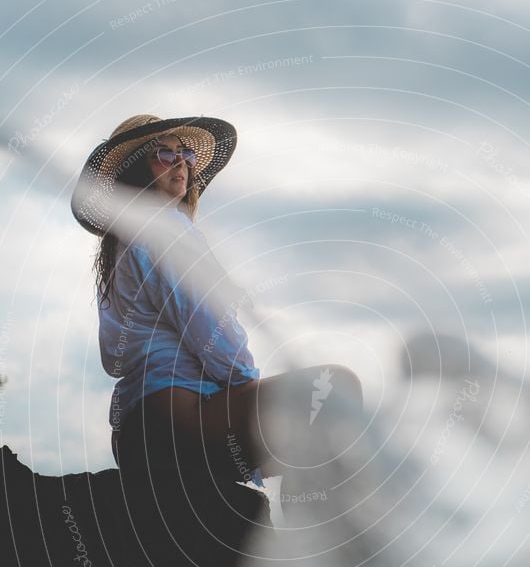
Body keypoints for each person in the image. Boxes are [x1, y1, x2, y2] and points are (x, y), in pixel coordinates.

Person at [70, 114, 363, 520]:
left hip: (135, 435)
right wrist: (247, 388)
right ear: (136, 170)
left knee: (314, 441)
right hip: (183, 423)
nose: (181, 163)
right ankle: (311, 546)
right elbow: (208, 325)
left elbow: (113, 358)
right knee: (336, 390)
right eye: (164, 153)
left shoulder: (123, 245)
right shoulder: (165, 229)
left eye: (185, 153)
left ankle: (305, 536)